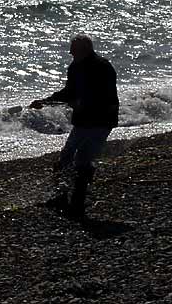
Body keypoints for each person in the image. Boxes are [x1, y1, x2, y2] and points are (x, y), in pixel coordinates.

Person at [29, 34, 119, 220]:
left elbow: (107, 95)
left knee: (83, 160)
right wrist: (46, 101)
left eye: (74, 50)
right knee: (66, 157)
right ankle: (59, 197)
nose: (70, 52)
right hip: (83, 121)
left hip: (101, 121)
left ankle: (77, 204)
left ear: (85, 50)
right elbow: (69, 91)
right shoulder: (75, 67)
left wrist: (84, 102)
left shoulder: (103, 66)